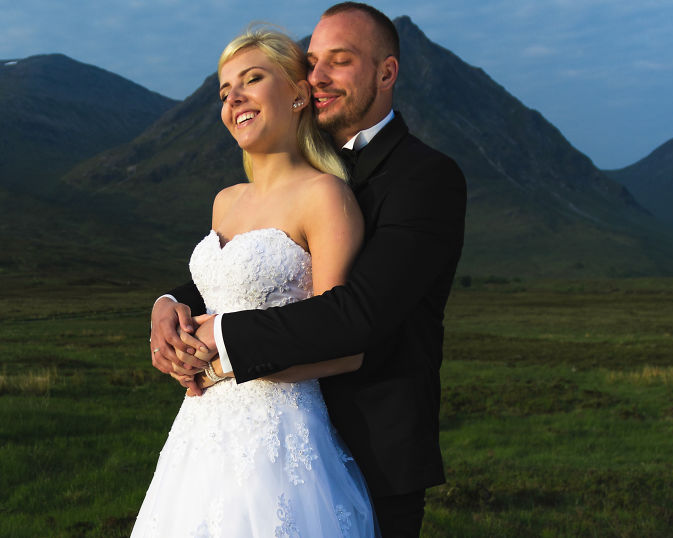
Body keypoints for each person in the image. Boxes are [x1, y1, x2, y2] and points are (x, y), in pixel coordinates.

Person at [151, 3, 467, 536]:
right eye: (312, 61)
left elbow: (359, 313)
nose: (317, 77)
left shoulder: (424, 177)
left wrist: (218, 343)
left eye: (338, 62)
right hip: (229, 436)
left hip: (369, 448)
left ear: (386, 73)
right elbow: (255, 265)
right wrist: (171, 304)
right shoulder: (288, 175)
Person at [131, 27, 380, 537]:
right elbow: (214, 288)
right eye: (225, 92)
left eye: (251, 79)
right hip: (198, 436)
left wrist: (220, 366)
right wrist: (166, 305)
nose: (234, 99)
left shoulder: (325, 196)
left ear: (296, 91)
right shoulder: (225, 200)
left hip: (280, 438)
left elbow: (344, 344)